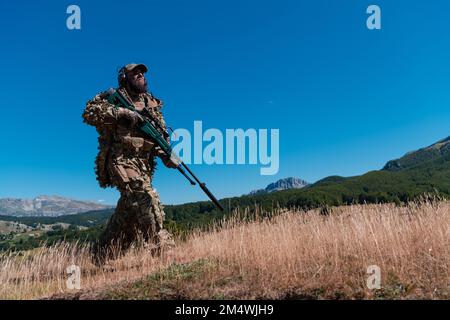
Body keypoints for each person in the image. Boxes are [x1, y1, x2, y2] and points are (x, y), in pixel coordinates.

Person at [82, 63, 177, 264]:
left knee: (129, 214)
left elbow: (159, 136)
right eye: (135, 73)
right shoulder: (112, 98)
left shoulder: (152, 104)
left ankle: (102, 255)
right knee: (145, 198)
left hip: (144, 166)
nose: (140, 75)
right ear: (125, 77)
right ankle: (164, 255)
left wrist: (167, 154)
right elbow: (89, 112)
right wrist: (122, 113)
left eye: (142, 72)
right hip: (121, 161)